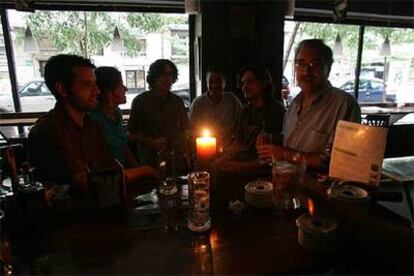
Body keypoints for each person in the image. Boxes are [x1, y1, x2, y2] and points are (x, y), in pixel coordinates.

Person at [28, 55, 156, 196]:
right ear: (62, 89)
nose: (97, 91)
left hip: (104, 204)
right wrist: (143, 171)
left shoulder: (92, 125)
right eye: (86, 85)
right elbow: (82, 182)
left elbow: (109, 168)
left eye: (95, 84)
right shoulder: (47, 132)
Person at [258, 39, 361, 170]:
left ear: (328, 68)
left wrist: (284, 154)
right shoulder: (294, 103)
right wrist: (271, 140)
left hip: (319, 188)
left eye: (315, 65)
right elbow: (293, 140)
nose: (307, 71)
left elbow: (344, 161)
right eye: (301, 64)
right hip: (284, 181)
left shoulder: (344, 104)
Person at [89, 66, 159, 178]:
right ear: (108, 92)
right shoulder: (93, 119)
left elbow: (124, 148)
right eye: (121, 85)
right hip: (109, 179)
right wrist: (142, 171)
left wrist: (138, 169)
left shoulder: (116, 112)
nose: (125, 89)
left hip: (124, 173)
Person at [216, 64, 285, 173]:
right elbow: (238, 143)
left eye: (250, 82)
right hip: (240, 165)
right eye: (243, 83)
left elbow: (271, 157)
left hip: (262, 172)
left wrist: (239, 166)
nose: (244, 87)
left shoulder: (276, 111)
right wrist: (223, 159)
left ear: (264, 83)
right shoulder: (245, 111)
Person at [127, 59, 190, 175]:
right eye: (162, 74)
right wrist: (151, 142)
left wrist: (188, 156)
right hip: (152, 161)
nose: (167, 78)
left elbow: (185, 131)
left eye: (170, 74)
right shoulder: (140, 102)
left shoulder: (177, 102)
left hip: (177, 161)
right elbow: (132, 135)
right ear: (154, 77)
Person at [189, 66, 242, 148]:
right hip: (204, 147)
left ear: (224, 83)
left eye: (219, 81)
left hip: (229, 146)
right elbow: (191, 129)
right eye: (211, 82)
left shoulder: (232, 100)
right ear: (206, 83)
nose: (214, 85)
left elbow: (242, 122)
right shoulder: (197, 104)